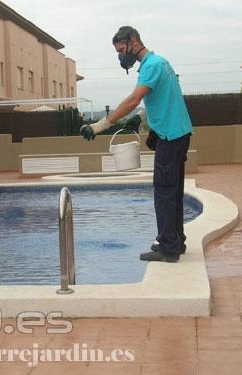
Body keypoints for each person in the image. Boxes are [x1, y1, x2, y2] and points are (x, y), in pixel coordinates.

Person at [80, 26, 192, 263]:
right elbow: (163, 100)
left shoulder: (151, 66)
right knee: (173, 191)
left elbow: (133, 100)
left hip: (171, 137)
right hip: (177, 132)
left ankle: (167, 248)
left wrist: (100, 126)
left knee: (163, 191)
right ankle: (175, 240)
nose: (121, 56)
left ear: (133, 41)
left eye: (121, 50)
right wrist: (148, 124)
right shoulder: (161, 62)